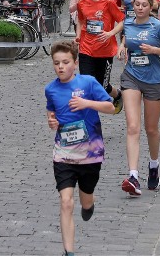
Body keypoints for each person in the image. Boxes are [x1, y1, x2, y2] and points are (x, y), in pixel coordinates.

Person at [45, 41, 114, 256]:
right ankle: (69, 252)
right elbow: (52, 113)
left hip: (90, 154)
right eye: (57, 63)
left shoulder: (89, 83)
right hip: (63, 154)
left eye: (65, 62)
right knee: (66, 202)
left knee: (85, 199)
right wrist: (52, 121)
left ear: (75, 63)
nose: (61, 67)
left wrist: (87, 103)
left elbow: (111, 107)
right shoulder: (51, 89)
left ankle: (88, 204)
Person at [118, 0, 160, 196]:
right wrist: (121, 47)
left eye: (144, 4)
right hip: (131, 76)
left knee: (151, 129)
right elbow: (126, 39)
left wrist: (155, 50)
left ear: (151, 6)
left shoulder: (158, 26)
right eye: (137, 4)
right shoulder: (128, 22)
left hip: (154, 79)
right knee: (133, 127)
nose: (140, 7)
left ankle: (153, 165)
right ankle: (133, 175)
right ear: (133, 6)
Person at [74, 0, 125, 112]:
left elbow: (122, 21)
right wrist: (78, 36)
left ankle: (117, 94)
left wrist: (110, 33)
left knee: (102, 86)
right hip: (86, 49)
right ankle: (90, 121)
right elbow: (80, 20)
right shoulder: (82, 3)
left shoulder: (108, 2)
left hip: (105, 51)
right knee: (86, 85)